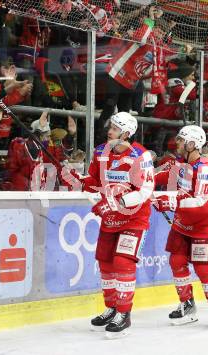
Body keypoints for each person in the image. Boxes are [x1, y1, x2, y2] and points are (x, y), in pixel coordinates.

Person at [61, 112, 154, 338]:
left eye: (113, 128)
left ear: (125, 133)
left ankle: (124, 313)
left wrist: (116, 203)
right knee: (105, 263)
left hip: (133, 219)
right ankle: (111, 308)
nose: (109, 131)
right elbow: (95, 182)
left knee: (122, 262)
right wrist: (76, 179)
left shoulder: (141, 156)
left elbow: (145, 190)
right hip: (111, 220)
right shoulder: (101, 151)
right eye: (110, 127)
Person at [154, 125, 208, 327]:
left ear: (192, 144)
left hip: (203, 224)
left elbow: (200, 201)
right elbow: (156, 176)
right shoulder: (178, 163)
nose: (177, 143)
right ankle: (187, 305)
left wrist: (170, 202)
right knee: (177, 261)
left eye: (181, 140)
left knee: (203, 268)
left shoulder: (205, 168)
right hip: (182, 223)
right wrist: (138, 180)